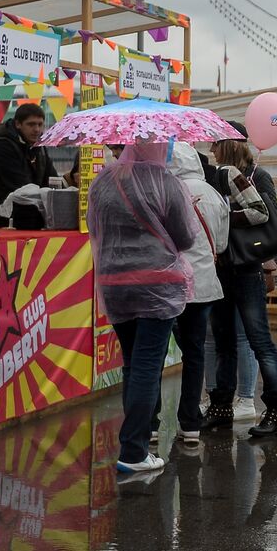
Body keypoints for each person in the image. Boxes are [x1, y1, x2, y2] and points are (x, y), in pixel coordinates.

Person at [87, 141, 197, 474]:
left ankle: (139, 438)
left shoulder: (103, 181)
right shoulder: (167, 183)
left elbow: (95, 228)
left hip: (114, 285)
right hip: (157, 284)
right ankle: (134, 451)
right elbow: (187, 238)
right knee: (148, 365)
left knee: (133, 364)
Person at [202, 127, 277, 438]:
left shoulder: (257, 175)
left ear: (226, 145)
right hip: (222, 268)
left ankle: (276, 410)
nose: (211, 149)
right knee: (223, 340)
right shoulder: (213, 176)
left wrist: (227, 215)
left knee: (258, 340)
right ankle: (221, 406)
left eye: (215, 143)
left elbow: (270, 220)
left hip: (249, 267)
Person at [155, 142, 230, 447]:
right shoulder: (213, 194)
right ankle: (190, 425)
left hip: (170, 284)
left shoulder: (164, 192)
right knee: (195, 353)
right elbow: (222, 244)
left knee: (156, 354)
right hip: (204, 286)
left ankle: (151, 424)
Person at [0, 104, 56, 229]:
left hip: (18, 222)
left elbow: (52, 182)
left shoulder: (39, 149)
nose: (37, 129)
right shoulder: (3, 146)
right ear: (18, 124)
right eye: (31, 124)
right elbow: (24, 190)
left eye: (40, 124)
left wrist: (69, 181)